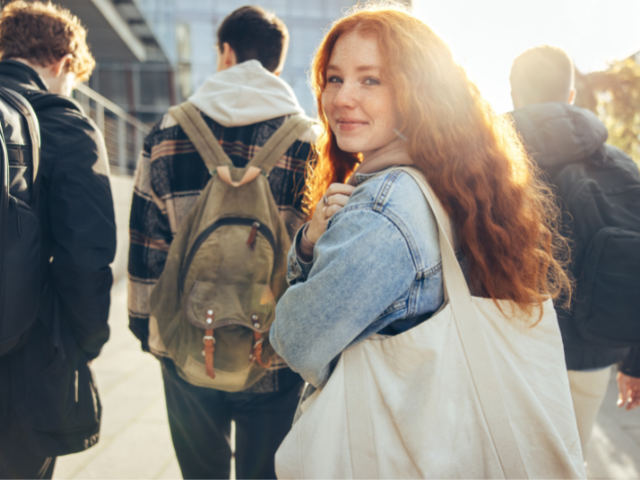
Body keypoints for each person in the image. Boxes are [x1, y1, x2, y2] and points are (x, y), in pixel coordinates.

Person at [270, 3, 584, 478]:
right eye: (334, 79)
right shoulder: (452, 179)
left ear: (417, 91)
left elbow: (295, 341)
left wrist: (306, 248)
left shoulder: (384, 209)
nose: (341, 98)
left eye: (370, 80)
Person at [127, 6, 314, 479]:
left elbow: (145, 241)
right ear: (275, 61)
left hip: (188, 341)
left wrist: (147, 327)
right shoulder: (308, 139)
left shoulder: (169, 129)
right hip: (271, 349)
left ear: (226, 52)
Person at [0, 2, 116, 479]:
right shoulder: (64, 121)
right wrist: (85, 342)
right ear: (65, 63)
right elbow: (86, 254)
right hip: (24, 359)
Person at [509, 45, 640, 456]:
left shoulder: (489, 164)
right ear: (569, 96)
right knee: (570, 462)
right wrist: (633, 362)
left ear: (514, 95)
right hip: (594, 347)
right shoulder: (621, 166)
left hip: (511, 347)